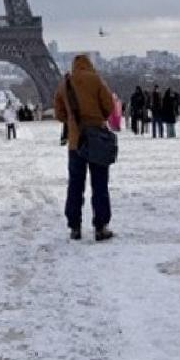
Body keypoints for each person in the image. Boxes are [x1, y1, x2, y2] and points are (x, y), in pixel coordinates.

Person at [54, 54, 116, 242]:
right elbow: (109, 106)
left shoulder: (65, 83)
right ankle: (101, 226)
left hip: (76, 141)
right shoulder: (96, 80)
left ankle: (74, 226)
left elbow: (59, 113)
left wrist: (72, 121)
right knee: (100, 185)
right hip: (97, 139)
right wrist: (97, 118)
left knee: (75, 185)